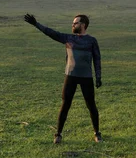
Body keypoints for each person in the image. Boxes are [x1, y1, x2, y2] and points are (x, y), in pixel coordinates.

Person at [24, 13, 102, 144]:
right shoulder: (68, 38)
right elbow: (51, 33)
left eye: (75, 23)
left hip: (86, 77)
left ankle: (97, 133)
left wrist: (98, 77)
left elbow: (97, 59)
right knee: (65, 105)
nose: (73, 25)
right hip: (70, 76)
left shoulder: (92, 41)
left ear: (83, 25)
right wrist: (36, 24)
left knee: (91, 106)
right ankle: (58, 134)